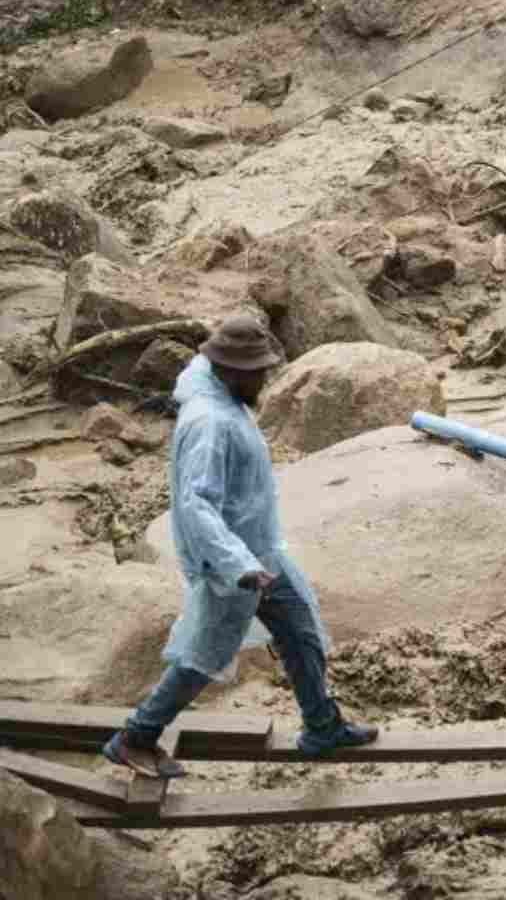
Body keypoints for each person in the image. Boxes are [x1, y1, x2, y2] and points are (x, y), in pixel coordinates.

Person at [102, 316, 378, 779]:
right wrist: (238, 565)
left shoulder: (223, 397)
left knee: (300, 630)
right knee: (203, 656)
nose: (265, 379)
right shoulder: (210, 422)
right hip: (229, 562)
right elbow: (196, 505)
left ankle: (322, 726)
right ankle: (135, 737)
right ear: (230, 370)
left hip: (260, 551)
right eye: (258, 372)